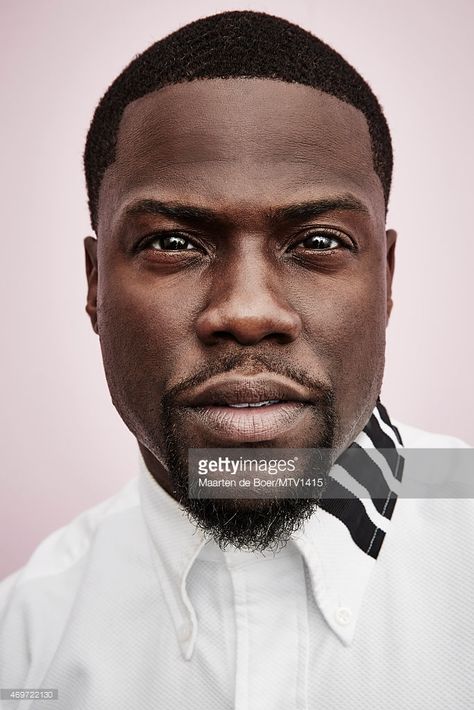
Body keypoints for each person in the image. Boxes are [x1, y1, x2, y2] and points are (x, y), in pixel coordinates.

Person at [0, 10, 472, 710]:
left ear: (389, 277)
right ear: (96, 285)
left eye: (317, 240)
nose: (248, 312)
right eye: (173, 243)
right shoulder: (24, 641)